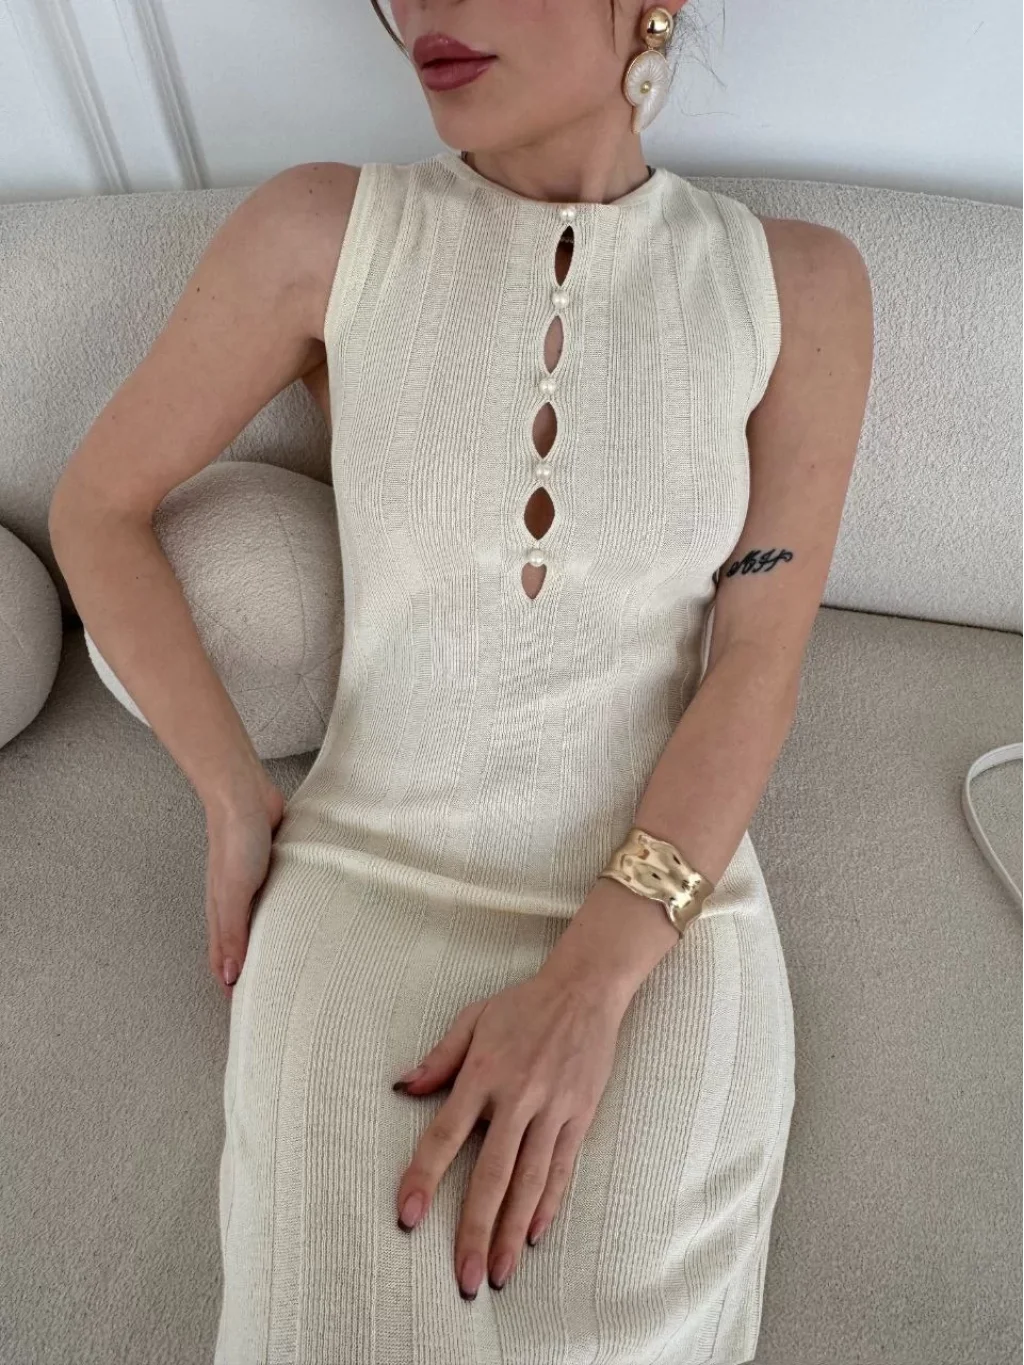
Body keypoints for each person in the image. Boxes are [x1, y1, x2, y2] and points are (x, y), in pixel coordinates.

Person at [48, 2, 873, 1360]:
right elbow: (96, 508)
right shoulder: (323, 232)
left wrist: (593, 984)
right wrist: (233, 795)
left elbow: (758, 660)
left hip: (665, 913)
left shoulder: (800, 286)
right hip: (365, 874)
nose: (423, 7)